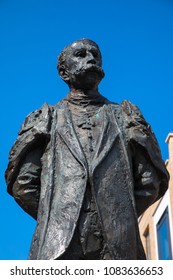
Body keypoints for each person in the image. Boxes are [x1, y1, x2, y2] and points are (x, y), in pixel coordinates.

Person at [5, 38, 169, 260]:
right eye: (81, 55)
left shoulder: (126, 117)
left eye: (95, 54)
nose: (91, 58)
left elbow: (150, 182)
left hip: (119, 249)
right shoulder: (46, 119)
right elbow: (24, 185)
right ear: (64, 72)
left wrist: (116, 217)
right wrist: (60, 217)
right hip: (59, 247)